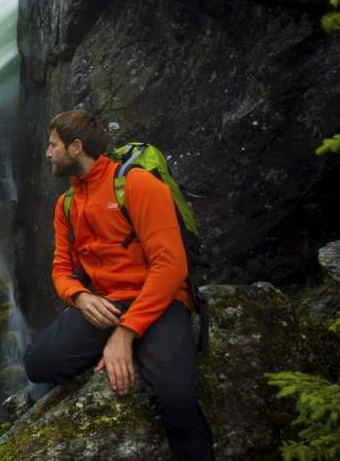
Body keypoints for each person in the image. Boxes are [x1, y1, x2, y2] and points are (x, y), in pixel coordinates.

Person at [22, 109, 214, 460]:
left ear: (76, 147)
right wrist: (80, 298)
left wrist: (125, 335)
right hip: (105, 304)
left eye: (53, 146)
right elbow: (61, 270)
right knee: (37, 362)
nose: (48, 153)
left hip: (160, 302)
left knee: (177, 398)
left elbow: (171, 267)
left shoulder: (137, 185)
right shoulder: (66, 205)